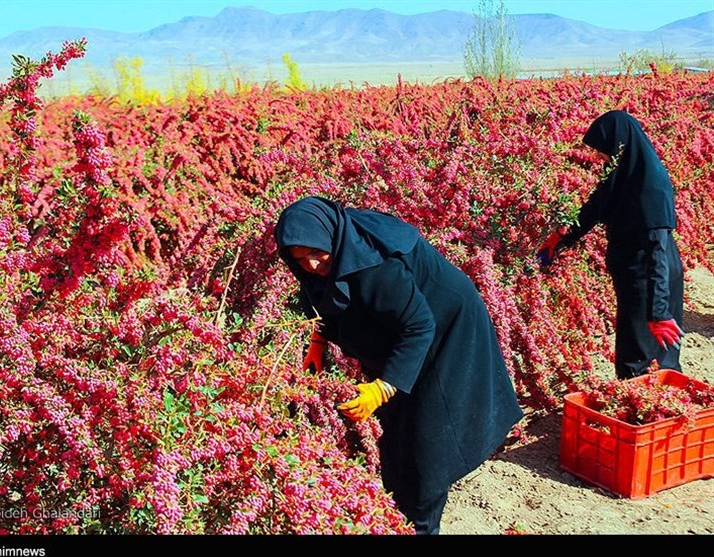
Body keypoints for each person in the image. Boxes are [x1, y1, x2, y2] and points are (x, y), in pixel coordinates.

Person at [273, 195, 523, 535]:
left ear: (331, 237)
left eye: (317, 253)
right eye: (301, 259)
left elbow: (419, 326)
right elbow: (320, 295)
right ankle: (398, 510)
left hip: (445, 330)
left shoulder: (374, 267)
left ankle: (421, 525)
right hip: (406, 331)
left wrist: (383, 386)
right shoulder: (334, 247)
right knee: (396, 433)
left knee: (428, 441)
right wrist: (318, 342)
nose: (313, 265)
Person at [537, 109, 684, 380]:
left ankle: (653, 413)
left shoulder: (652, 187)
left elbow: (658, 253)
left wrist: (659, 311)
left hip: (651, 280)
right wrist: (559, 238)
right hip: (636, 277)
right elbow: (592, 210)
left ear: (619, 145)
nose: (598, 157)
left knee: (644, 359)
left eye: (601, 150)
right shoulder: (621, 177)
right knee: (636, 351)